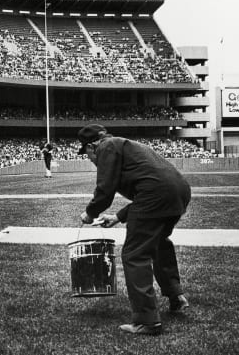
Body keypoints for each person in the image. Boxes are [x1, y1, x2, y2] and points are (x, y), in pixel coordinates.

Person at [77, 124, 191, 336]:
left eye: (87, 154)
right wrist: (118, 217)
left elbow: (105, 189)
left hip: (156, 194)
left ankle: (147, 321)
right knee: (158, 243)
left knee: (134, 254)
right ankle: (176, 296)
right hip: (179, 191)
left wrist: (90, 212)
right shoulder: (122, 144)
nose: (90, 159)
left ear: (92, 146)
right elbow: (151, 187)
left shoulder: (106, 146)